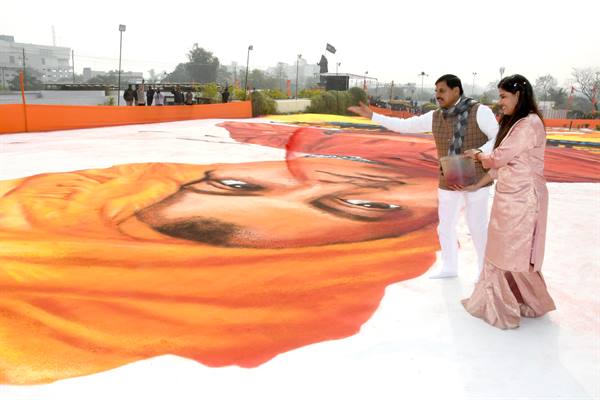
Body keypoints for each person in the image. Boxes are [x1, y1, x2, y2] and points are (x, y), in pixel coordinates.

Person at [348, 74, 499, 279]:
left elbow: (497, 137)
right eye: (436, 91)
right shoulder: (436, 116)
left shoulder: (480, 111)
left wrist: (479, 152)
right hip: (449, 177)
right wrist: (373, 116)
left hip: (477, 178)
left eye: (442, 91)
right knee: (445, 225)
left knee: (477, 226)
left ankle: (484, 271)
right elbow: (405, 126)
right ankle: (450, 267)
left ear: (456, 90)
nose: (437, 95)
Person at [461, 74, 556, 329]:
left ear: (519, 95)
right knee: (506, 252)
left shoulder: (529, 124)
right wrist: (477, 184)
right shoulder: (519, 122)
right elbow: (503, 167)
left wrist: (481, 155)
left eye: (503, 96)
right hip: (510, 198)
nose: (500, 101)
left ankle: (502, 307)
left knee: (510, 253)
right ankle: (527, 300)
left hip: (523, 201)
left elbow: (500, 158)